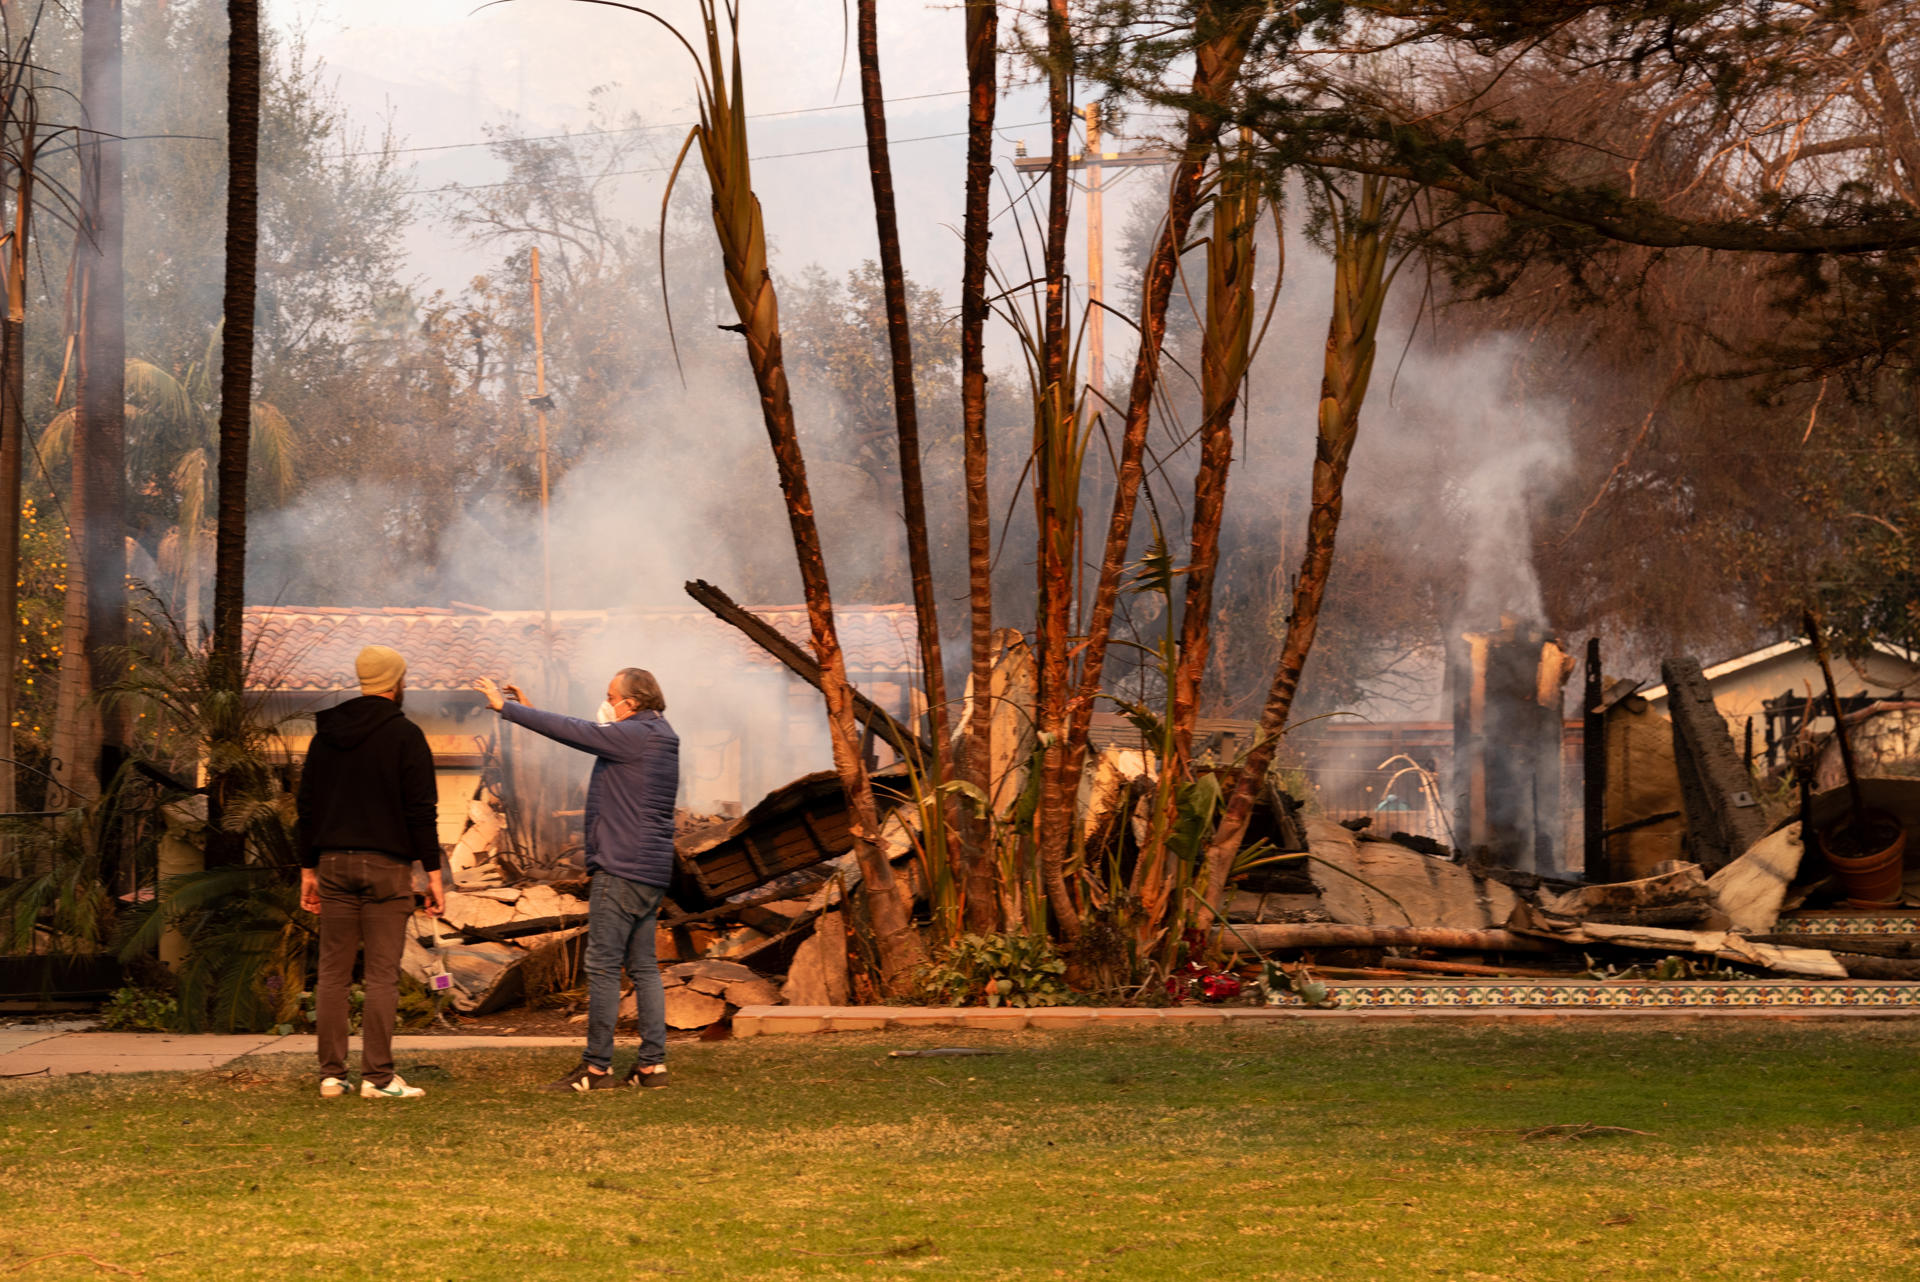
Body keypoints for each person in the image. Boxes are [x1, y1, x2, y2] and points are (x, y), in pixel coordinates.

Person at [473, 669, 678, 1092]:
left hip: (620, 870)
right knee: (643, 968)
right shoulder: (658, 736)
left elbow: (579, 731)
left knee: (602, 967)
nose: (606, 703)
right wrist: (531, 711)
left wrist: (506, 709)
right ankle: (651, 1067)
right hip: (651, 873)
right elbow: (579, 734)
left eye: (610, 696)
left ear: (632, 702)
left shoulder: (634, 736)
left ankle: (596, 1069)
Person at [298, 645, 445, 1100]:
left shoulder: (325, 736)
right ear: (396, 683)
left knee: (333, 974)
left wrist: (307, 870)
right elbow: (421, 810)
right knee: (381, 975)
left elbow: (307, 805)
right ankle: (378, 1079)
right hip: (387, 866)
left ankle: (330, 1076)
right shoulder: (406, 735)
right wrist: (433, 873)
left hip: (333, 864)